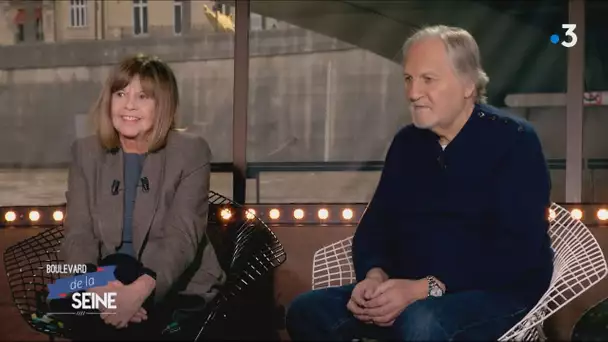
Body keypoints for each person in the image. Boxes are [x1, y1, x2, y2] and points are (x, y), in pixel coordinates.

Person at [286, 25, 554, 341]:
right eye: (409, 79)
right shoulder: (407, 144)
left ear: (468, 84)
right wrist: (374, 276)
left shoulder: (514, 141)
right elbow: (375, 227)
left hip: (498, 294)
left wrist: (425, 288)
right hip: (408, 291)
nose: (413, 93)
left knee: (421, 323)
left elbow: (514, 252)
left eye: (428, 79)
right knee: (307, 310)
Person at [56, 54, 226, 340]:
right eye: (120, 93)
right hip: (98, 278)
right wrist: (98, 288)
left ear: (163, 105)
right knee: (64, 298)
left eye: (143, 96)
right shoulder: (85, 152)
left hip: (165, 282)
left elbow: (180, 237)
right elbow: (79, 233)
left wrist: (136, 293)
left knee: (103, 319)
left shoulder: (190, 151)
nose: (129, 105)